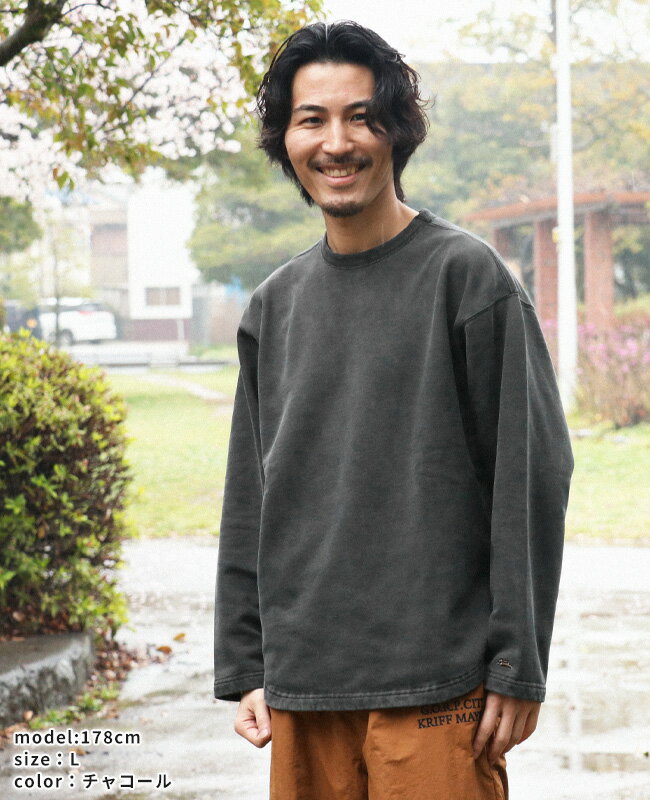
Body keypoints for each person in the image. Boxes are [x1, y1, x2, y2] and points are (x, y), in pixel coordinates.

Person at [213, 20, 574, 800]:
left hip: (439, 683)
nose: (336, 143)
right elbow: (250, 495)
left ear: (397, 132)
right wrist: (245, 661)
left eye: (361, 117)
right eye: (312, 120)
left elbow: (529, 477)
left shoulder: (468, 280)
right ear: (285, 140)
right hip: (305, 684)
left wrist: (518, 662)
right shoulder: (273, 307)